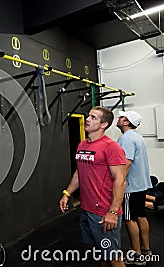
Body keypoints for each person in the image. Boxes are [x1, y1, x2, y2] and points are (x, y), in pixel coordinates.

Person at [59, 106, 127, 267]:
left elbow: (120, 180)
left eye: (93, 117)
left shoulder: (111, 147)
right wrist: (67, 193)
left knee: (113, 257)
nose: (88, 119)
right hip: (87, 208)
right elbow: (79, 173)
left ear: (104, 124)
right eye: (88, 116)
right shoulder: (82, 145)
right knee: (100, 252)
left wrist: (112, 212)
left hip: (104, 211)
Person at [116, 110, 153, 264]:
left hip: (131, 187)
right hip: (141, 185)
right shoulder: (137, 137)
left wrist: (118, 185)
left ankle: (137, 255)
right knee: (141, 216)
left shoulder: (126, 138)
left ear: (126, 122)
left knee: (129, 219)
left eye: (121, 117)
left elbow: (126, 163)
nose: (118, 118)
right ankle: (146, 250)